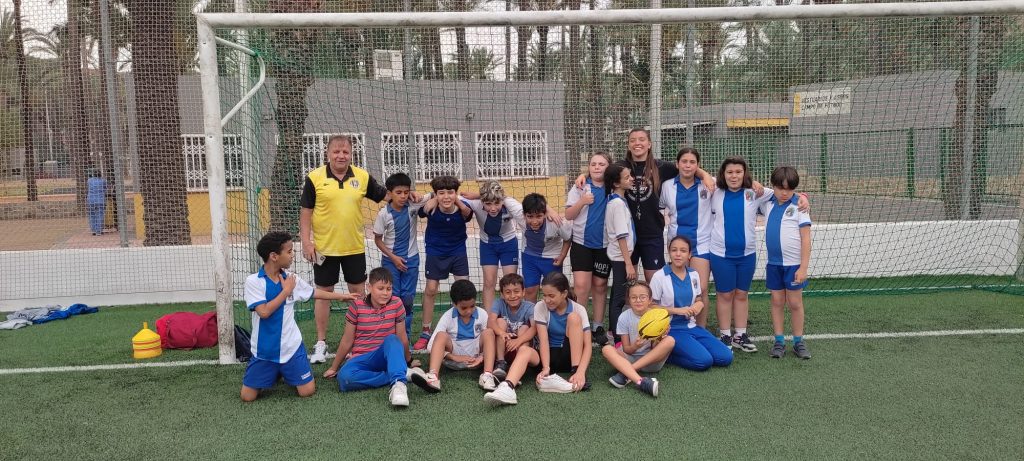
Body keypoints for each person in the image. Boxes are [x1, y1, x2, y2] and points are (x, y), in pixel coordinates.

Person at [299, 135, 389, 364]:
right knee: (324, 293)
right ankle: (321, 342)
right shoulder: (314, 178)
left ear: (351, 154)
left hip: (354, 248)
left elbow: (384, 195)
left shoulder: (362, 176)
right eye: (336, 151)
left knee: (358, 294)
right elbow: (306, 212)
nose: (341, 156)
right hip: (324, 249)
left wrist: (408, 193)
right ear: (328, 153)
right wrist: (306, 242)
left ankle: (362, 340)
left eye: (345, 152)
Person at [240, 231, 358, 402]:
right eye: (289, 251)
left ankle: (285, 369)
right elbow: (264, 312)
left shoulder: (291, 278)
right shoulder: (254, 281)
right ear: (274, 256)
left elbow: (314, 292)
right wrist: (286, 291)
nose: (293, 255)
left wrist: (342, 296)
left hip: (291, 348)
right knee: (247, 397)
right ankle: (276, 372)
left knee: (307, 391)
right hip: (264, 351)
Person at [323, 267, 435, 407]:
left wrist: (409, 360)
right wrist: (334, 367)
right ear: (369, 287)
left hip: (385, 356)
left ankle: (399, 385)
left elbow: (402, 337)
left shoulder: (396, 303)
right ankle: (401, 373)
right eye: (380, 288)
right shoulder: (357, 306)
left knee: (392, 339)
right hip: (363, 359)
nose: (385, 293)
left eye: (389, 289)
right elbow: (347, 340)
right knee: (344, 378)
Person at [483, 272, 593, 406]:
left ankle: (575, 373)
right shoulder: (540, 307)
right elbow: (543, 341)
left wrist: (581, 372)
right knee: (524, 350)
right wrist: (546, 368)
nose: (547, 300)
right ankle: (507, 387)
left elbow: (587, 345)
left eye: (551, 296)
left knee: (574, 318)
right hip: (548, 357)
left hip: (570, 357)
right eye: (544, 295)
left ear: (564, 293)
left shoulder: (578, 309)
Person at [710, 156, 776, 353]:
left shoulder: (754, 193)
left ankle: (740, 335)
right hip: (720, 255)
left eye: (738, 172)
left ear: (745, 173)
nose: (734, 176)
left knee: (741, 294)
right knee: (724, 294)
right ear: (723, 174)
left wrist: (802, 198)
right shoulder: (714, 191)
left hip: (747, 255)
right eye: (729, 172)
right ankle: (725, 335)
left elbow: (783, 193)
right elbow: (699, 174)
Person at [650, 236, 733, 371]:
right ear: (669, 252)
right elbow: (651, 307)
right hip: (670, 330)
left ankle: (686, 349)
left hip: (691, 326)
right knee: (704, 362)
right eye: (674, 250)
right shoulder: (659, 276)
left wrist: (699, 305)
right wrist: (678, 310)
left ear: (689, 255)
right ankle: (666, 355)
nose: (678, 254)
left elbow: (698, 298)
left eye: (683, 251)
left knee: (725, 357)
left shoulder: (694, 274)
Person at [413, 175, 473, 352]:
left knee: (464, 289)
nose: (446, 196)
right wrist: (429, 201)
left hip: (457, 252)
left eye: (450, 192)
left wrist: (459, 202)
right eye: (441, 193)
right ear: (436, 194)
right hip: (436, 251)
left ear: (456, 193)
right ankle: (426, 331)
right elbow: (421, 210)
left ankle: (464, 328)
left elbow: (468, 214)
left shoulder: (463, 208)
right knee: (431, 289)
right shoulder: (431, 207)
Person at [760, 166, 813, 360]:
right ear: (773, 186)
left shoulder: (800, 206)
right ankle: (779, 341)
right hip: (774, 265)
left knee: (795, 303)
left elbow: (806, 239)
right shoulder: (767, 203)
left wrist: (803, 267)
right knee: (776, 301)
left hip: (794, 266)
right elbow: (755, 189)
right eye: (780, 188)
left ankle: (798, 341)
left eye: (789, 189)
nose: (784, 193)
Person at [659, 148, 714, 328]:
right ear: (677, 164)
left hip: (701, 243)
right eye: (684, 161)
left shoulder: (708, 183)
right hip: (677, 245)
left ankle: (700, 329)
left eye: (692, 162)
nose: (688, 165)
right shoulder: (667, 186)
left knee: (701, 288)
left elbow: (735, 183)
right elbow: (659, 208)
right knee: (677, 288)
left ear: (698, 166)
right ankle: (678, 326)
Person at [373, 172, 428, 341]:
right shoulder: (384, 214)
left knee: (408, 299)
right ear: (389, 193)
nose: (403, 196)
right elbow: (378, 240)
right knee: (391, 298)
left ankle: (406, 337)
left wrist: (416, 194)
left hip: (411, 260)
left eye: (406, 192)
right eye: (398, 192)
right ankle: (390, 336)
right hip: (391, 262)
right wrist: (393, 258)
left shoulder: (413, 205)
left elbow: (434, 195)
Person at [565, 152, 612, 346]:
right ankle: (580, 326)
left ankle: (597, 327)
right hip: (581, 244)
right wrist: (582, 201)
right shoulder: (580, 187)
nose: (597, 167)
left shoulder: (613, 186)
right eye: (593, 164)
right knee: (581, 287)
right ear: (589, 167)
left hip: (605, 245)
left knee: (600, 286)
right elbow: (568, 215)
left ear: (608, 167)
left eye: (602, 164)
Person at [461, 181, 525, 314]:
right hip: (487, 245)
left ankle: (511, 315)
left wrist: (549, 210)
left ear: (502, 200)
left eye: (497, 203)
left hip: (508, 244)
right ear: (482, 201)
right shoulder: (476, 203)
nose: (493, 208)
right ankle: (489, 317)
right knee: (489, 281)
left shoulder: (509, 203)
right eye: (488, 204)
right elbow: (452, 197)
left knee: (510, 282)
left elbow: (530, 209)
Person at [600, 280, 671, 397]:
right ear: (629, 300)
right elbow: (627, 350)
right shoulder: (624, 317)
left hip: (651, 363)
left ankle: (626, 373)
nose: (638, 300)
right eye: (634, 297)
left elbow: (654, 349)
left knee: (670, 341)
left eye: (642, 297)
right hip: (630, 358)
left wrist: (659, 338)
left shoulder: (657, 316)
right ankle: (641, 382)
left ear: (650, 300)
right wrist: (635, 346)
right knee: (606, 349)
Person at [422, 280, 494, 391]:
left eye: (472, 306)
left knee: (489, 332)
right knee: (441, 335)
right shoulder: (447, 316)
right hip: (454, 356)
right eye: (464, 308)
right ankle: (433, 377)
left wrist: (482, 357)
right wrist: (453, 357)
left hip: (477, 357)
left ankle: (487, 375)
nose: (469, 311)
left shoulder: (482, 314)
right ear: (454, 304)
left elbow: (490, 342)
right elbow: (430, 346)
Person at [604, 163, 636, 344]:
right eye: (627, 177)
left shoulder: (618, 200)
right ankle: (617, 338)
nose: (631, 179)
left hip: (619, 256)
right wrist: (628, 263)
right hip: (619, 258)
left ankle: (613, 332)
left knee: (617, 294)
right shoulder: (616, 204)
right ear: (616, 183)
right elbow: (621, 235)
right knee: (618, 299)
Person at [519, 193, 571, 302]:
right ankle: (530, 313)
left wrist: (562, 256)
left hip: (551, 259)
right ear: (524, 214)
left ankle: (556, 312)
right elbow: (504, 198)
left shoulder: (556, 222)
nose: (534, 221)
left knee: (554, 290)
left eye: (539, 216)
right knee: (530, 290)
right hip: (529, 257)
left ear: (545, 214)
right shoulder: (518, 214)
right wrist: (548, 208)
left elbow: (568, 238)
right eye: (530, 216)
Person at [485, 273, 536, 382]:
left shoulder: (530, 307)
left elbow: (534, 328)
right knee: (500, 321)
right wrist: (501, 333)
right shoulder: (498, 303)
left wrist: (518, 340)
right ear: (502, 294)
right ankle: (501, 363)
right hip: (503, 346)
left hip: (521, 346)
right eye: (508, 292)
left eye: (516, 291)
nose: (512, 296)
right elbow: (491, 321)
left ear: (523, 292)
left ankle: (517, 366)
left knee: (525, 328)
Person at [86, 170, 106, 236]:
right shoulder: (103, 181)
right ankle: (99, 231)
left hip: (90, 200)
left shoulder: (89, 181)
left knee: (92, 215)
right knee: (100, 215)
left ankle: (93, 230)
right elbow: (105, 189)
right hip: (100, 200)